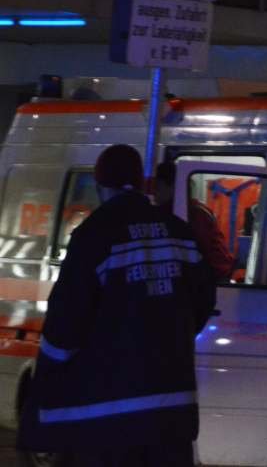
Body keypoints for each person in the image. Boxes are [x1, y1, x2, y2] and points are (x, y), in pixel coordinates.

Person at [17, 144, 216, 466]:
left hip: (109, 417)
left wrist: (49, 375)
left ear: (100, 186)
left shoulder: (95, 235)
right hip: (171, 413)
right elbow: (204, 301)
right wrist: (170, 339)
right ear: (141, 183)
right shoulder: (180, 234)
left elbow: (65, 323)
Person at [155, 160, 234, 282]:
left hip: (209, 279)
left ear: (172, 187)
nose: (155, 194)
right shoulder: (193, 210)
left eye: (158, 187)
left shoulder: (193, 215)